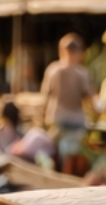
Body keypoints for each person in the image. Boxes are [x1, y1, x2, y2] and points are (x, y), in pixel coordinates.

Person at [39, 35, 95, 176]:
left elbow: (44, 97)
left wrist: (41, 117)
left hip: (57, 118)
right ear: (78, 53)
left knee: (56, 158)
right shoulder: (81, 73)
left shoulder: (52, 70)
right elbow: (90, 99)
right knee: (73, 160)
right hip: (76, 122)